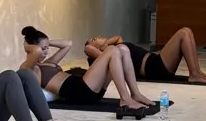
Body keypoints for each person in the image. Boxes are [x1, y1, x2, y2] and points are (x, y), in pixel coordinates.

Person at [21, 27, 155, 111]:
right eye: (42, 49)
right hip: (80, 92)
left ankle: (135, 93)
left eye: (47, 49)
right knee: (112, 50)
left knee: (123, 49)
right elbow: (36, 52)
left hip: (88, 89)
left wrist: (45, 42)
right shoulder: (30, 69)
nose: (45, 52)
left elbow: (68, 44)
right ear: (32, 49)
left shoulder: (48, 63)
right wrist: (30, 45)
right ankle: (125, 98)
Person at [85, 28, 206, 85]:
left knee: (187, 31)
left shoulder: (114, 47)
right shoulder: (106, 56)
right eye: (93, 39)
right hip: (153, 68)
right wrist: (97, 47)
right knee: (183, 33)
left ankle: (196, 72)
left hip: (155, 61)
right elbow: (87, 49)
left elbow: (118, 37)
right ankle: (195, 74)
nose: (97, 36)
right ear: (94, 48)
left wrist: (105, 43)